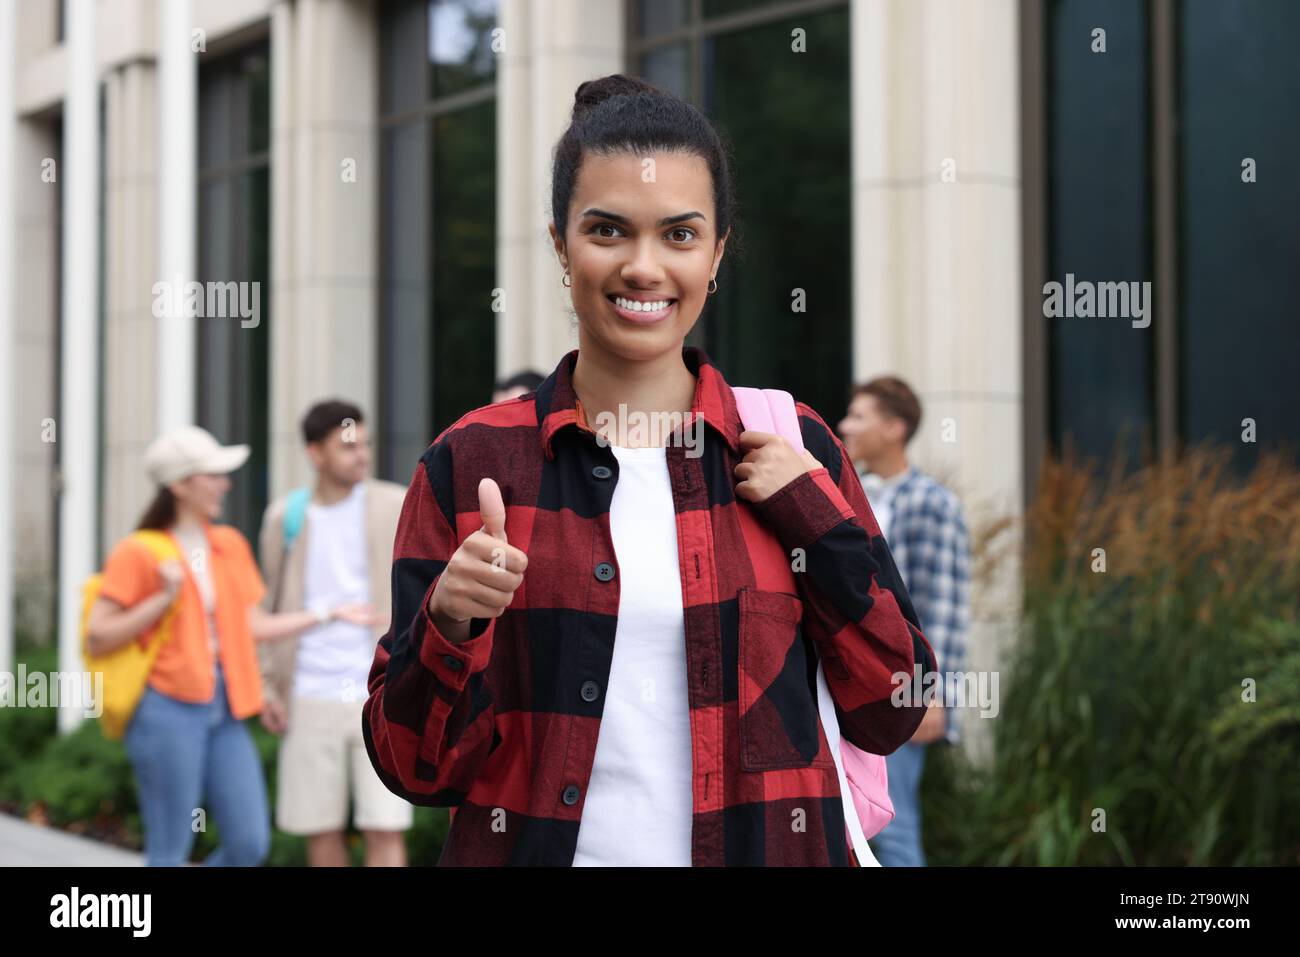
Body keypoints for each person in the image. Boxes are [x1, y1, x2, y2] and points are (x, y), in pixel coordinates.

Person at [363, 73, 938, 866]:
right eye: (607, 231)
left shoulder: (795, 447)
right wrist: (450, 623)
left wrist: (816, 522)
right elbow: (413, 767)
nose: (643, 266)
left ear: (717, 252)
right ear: (561, 244)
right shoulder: (473, 462)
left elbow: (893, 709)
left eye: (678, 234)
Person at [84, 425, 373, 867]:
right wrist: (163, 599)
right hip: (166, 707)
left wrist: (326, 614)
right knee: (169, 849)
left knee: (249, 843)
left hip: (226, 705)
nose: (225, 483)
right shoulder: (140, 551)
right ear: (180, 485)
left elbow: (252, 625)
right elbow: (97, 636)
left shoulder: (228, 544)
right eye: (213, 474)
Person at [257, 400, 412, 867]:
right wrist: (268, 685)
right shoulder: (286, 517)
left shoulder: (397, 502)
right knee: (319, 829)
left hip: (380, 691)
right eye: (347, 446)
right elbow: (270, 605)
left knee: (385, 823)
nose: (360, 454)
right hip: (308, 693)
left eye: (364, 444)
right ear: (315, 453)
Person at [837, 376, 972, 867]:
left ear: (894, 428)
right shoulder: (857, 494)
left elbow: (944, 604)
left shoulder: (931, 503)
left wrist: (934, 695)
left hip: (904, 690)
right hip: (858, 683)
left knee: (894, 830)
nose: (844, 425)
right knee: (856, 825)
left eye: (859, 415)